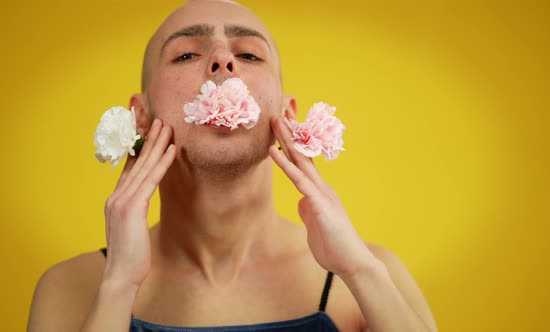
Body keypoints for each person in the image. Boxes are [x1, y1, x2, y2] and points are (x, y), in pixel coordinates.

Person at [27, 0, 438, 331]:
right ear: (140, 117)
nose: (224, 61)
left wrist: (361, 270)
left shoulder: (372, 275)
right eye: (186, 53)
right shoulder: (72, 288)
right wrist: (118, 286)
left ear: (288, 115)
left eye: (249, 55)